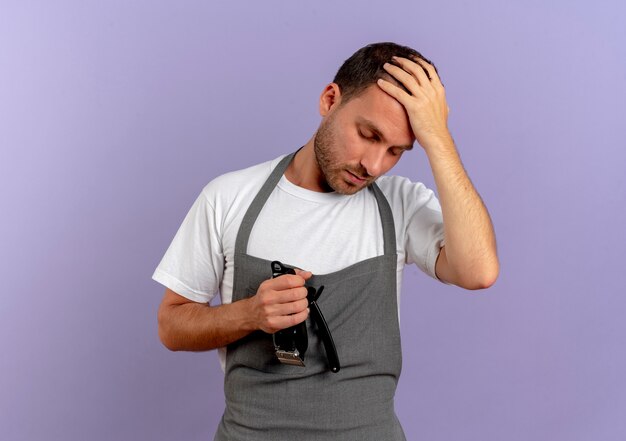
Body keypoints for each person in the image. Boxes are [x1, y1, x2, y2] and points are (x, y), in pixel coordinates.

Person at [152, 42, 499, 440]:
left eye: (396, 152)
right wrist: (248, 315)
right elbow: (171, 324)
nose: (374, 165)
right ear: (329, 99)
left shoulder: (400, 204)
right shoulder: (230, 197)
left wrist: (439, 139)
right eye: (368, 134)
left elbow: (479, 271)